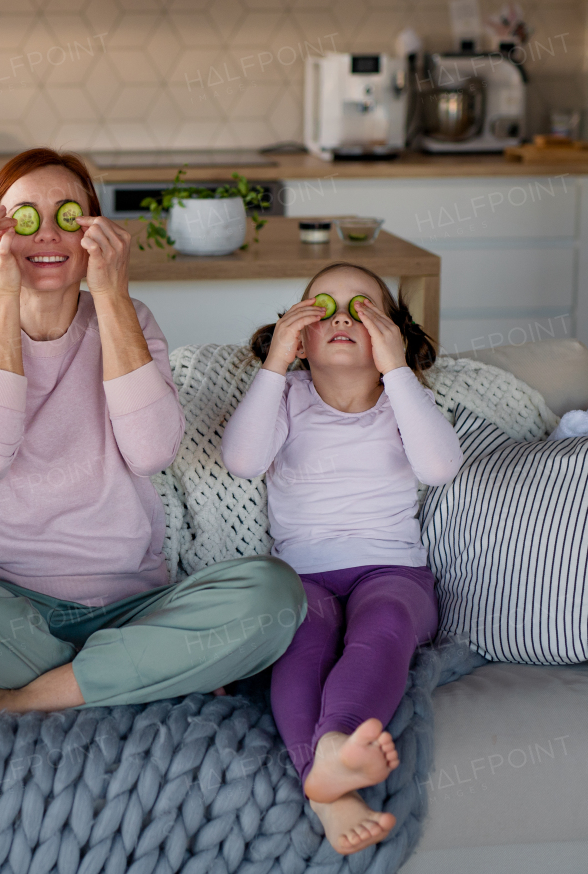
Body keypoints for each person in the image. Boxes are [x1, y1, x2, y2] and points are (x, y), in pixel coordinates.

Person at [0, 148, 306, 722]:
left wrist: (114, 294)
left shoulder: (131, 318)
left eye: (68, 216)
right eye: (25, 217)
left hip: (133, 608)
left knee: (273, 596)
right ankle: (132, 673)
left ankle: (20, 697)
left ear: (96, 234)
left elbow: (151, 451)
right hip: (1, 608)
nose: (47, 233)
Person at [221, 262, 462, 855]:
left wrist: (397, 367)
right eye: (321, 308)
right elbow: (243, 461)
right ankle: (328, 782)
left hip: (392, 571)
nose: (340, 317)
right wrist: (275, 365)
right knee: (302, 641)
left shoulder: (403, 401)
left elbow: (440, 467)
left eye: (361, 308)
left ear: (390, 331)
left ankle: (337, 742)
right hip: (305, 577)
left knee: (384, 623)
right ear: (299, 336)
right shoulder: (287, 398)